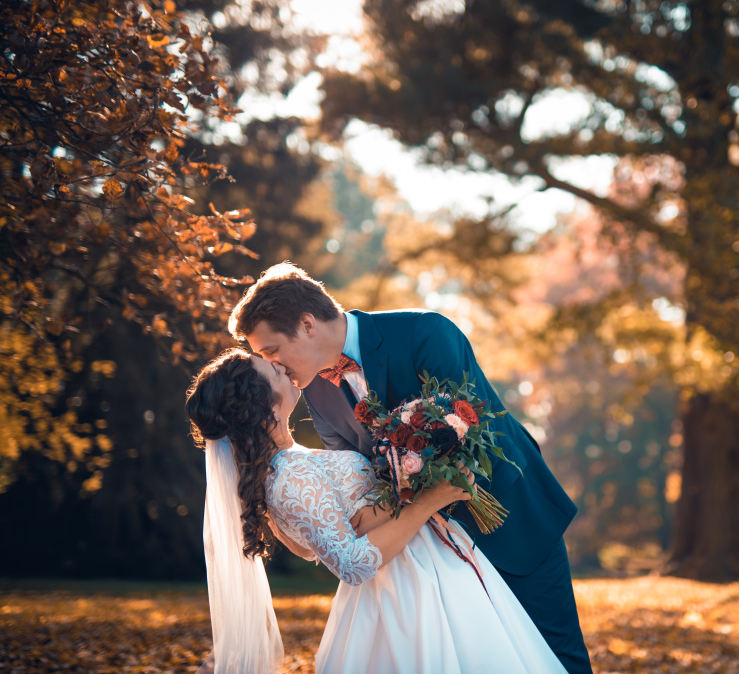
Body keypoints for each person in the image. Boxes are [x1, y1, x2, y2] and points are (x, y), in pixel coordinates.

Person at [228, 263, 593, 674]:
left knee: (556, 657)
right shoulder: (313, 389)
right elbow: (365, 481)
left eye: (271, 350)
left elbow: (470, 435)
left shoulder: (425, 333)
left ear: (308, 324)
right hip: (428, 562)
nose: (273, 364)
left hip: (510, 521)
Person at [186, 348, 569, 673]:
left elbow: (322, 540)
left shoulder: (291, 462)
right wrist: (430, 499)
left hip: (425, 565)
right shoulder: (287, 479)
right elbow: (351, 565)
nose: (282, 367)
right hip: (405, 592)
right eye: (272, 369)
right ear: (259, 402)